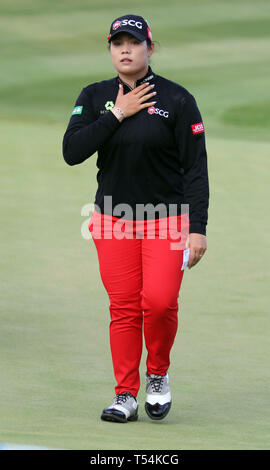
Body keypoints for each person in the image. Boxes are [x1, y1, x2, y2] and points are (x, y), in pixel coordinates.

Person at [62, 14, 209, 423]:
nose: (125, 50)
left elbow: (196, 168)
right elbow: (72, 151)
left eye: (134, 42)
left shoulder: (178, 100)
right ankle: (125, 394)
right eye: (117, 43)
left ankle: (157, 375)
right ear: (110, 49)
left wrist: (198, 228)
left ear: (150, 48)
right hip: (113, 219)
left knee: (159, 304)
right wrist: (117, 114)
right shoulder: (95, 97)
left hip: (166, 219)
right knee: (124, 309)